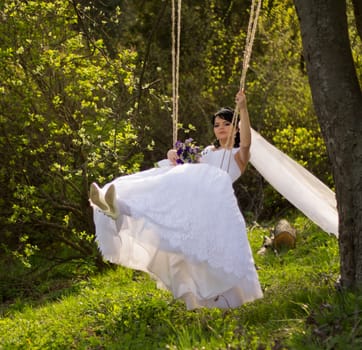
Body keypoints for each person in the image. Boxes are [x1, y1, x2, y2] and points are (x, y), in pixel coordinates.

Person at [89, 90, 263, 309]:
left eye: (226, 124)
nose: (220, 127)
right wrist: (175, 156)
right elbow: (190, 167)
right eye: (217, 124)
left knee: (170, 202)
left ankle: (120, 205)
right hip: (195, 196)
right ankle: (117, 205)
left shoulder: (238, 154)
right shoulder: (207, 151)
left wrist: (244, 110)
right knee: (159, 186)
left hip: (215, 200)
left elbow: (246, 143)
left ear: (235, 128)